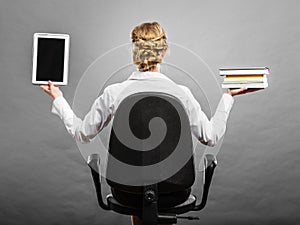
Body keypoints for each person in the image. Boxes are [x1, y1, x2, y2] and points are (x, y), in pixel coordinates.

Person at [40, 22, 261, 225]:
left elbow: (82, 133)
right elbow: (211, 137)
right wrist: (228, 97)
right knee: (159, 194)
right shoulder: (181, 93)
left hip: (126, 191)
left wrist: (58, 98)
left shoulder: (114, 93)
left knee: (135, 192)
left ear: (134, 52)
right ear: (163, 52)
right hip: (175, 191)